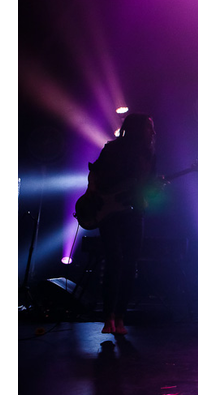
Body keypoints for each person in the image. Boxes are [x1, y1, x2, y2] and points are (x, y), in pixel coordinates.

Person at [85, 113, 158, 335]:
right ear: (137, 128)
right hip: (109, 213)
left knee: (129, 265)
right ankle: (108, 317)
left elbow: (149, 186)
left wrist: (150, 193)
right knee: (114, 261)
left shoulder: (149, 155)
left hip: (134, 211)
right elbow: (94, 173)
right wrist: (92, 194)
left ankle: (120, 317)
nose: (152, 132)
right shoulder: (112, 149)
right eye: (148, 127)